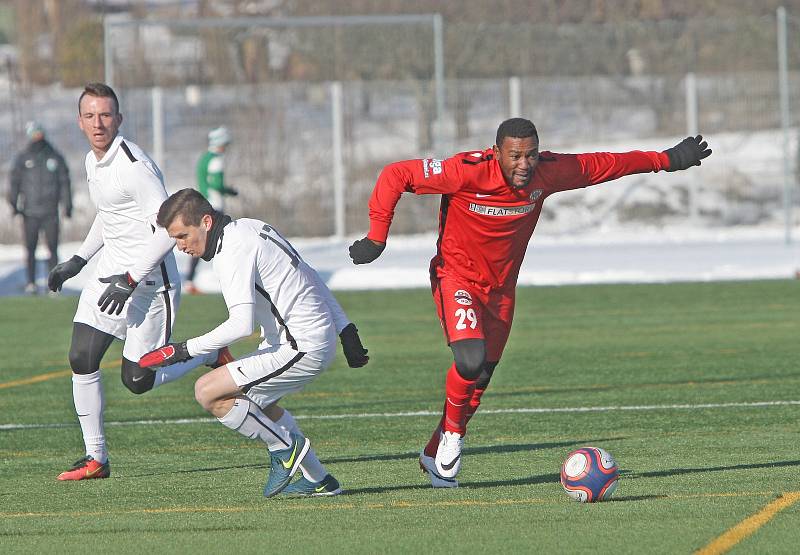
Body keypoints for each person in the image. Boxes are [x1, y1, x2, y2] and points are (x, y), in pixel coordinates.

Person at [349, 118, 712, 488]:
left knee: (481, 377)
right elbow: (396, 175)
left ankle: (433, 451)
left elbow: (604, 164)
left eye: (531, 155)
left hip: (502, 292)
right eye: (515, 156)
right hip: (455, 278)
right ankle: (454, 438)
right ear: (496, 154)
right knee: (469, 360)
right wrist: (377, 237)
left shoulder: (548, 173)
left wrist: (665, 159)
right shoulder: (465, 171)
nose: (524, 164)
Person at [47, 83, 229, 481]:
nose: (99, 123)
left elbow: (169, 230)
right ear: (80, 122)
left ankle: (208, 353)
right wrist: (79, 260)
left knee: (138, 380)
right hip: (110, 275)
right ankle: (96, 458)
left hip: (148, 285)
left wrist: (131, 278)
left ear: (119, 119)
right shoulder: (93, 162)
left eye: (106, 115)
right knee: (81, 358)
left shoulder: (134, 166)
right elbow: (109, 215)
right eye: (91, 115)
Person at [139, 188, 369, 497]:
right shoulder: (250, 226)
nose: (180, 246)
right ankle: (319, 480)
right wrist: (346, 329)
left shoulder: (231, 250)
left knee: (208, 392)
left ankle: (284, 447)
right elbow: (309, 275)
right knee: (259, 404)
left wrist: (184, 350)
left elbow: (240, 324)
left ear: (206, 222)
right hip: (298, 340)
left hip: (302, 346)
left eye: (182, 236)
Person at [7, 121, 72, 294]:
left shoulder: (55, 157)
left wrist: (67, 205)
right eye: (34, 133)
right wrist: (14, 204)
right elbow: (15, 182)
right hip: (30, 212)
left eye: (39, 133)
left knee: (52, 249)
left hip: (51, 212)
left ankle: (54, 285)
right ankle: (31, 283)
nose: (37, 136)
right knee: (30, 249)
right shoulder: (23, 158)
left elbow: (64, 182)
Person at [185, 126, 239, 294]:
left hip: (203, 205)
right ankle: (226, 280)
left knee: (200, 241)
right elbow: (216, 184)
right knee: (221, 243)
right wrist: (229, 190)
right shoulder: (216, 160)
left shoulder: (203, 158)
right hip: (214, 206)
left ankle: (189, 280)